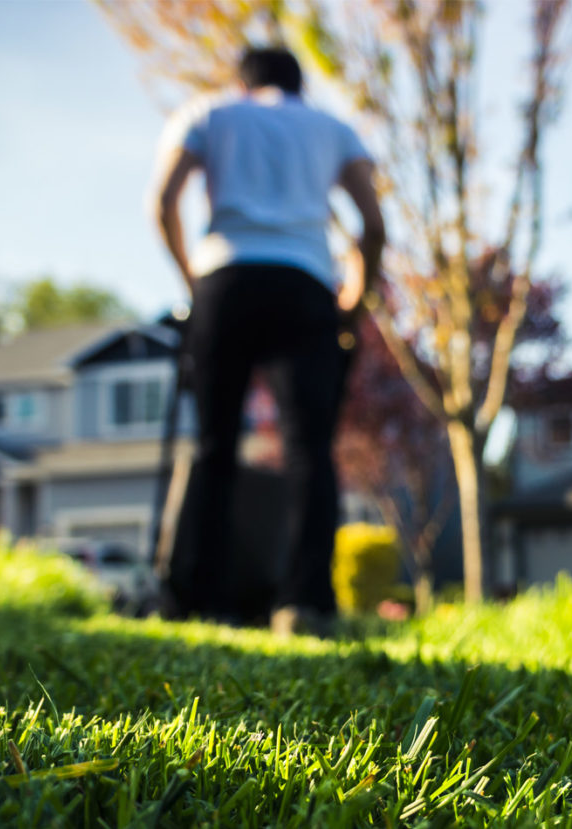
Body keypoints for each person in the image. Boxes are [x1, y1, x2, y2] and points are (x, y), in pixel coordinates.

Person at [150, 46, 385, 636]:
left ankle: (205, 600)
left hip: (224, 279)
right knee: (310, 450)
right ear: (299, 85)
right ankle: (304, 603)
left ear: (241, 81)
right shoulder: (332, 127)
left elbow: (163, 202)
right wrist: (353, 301)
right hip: (305, 283)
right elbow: (373, 226)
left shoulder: (209, 113)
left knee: (215, 444)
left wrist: (193, 280)